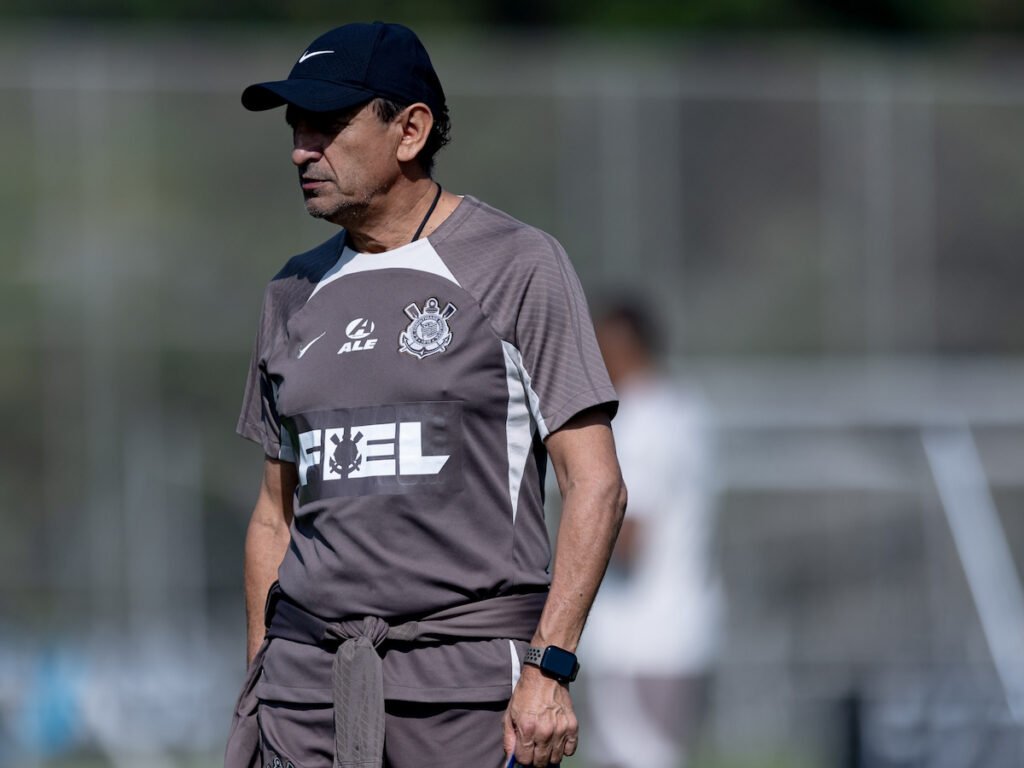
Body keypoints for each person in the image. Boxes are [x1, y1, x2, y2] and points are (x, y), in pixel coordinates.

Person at [223, 21, 626, 768]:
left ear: (409, 130)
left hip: (467, 694)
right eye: (295, 127)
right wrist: (262, 681)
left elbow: (594, 484)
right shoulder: (291, 291)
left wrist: (550, 668)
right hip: (306, 693)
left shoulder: (518, 264)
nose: (301, 149)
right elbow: (273, 519)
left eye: (328, 124)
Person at [580, 300, 722, 768]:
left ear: (621, 346)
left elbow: (625, 537)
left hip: (637, 640)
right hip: (680, 632)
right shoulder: (684, 408)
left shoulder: (637, 422)